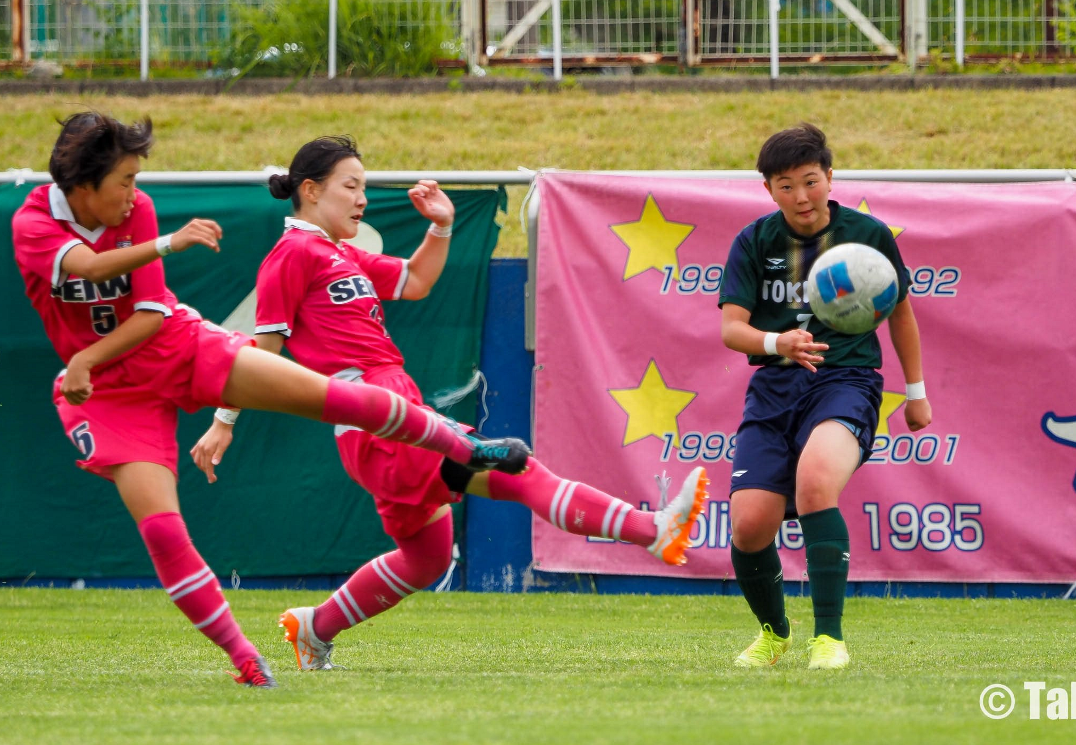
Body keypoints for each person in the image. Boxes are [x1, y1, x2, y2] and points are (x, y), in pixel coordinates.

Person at [12, 113, 532, 689]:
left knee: (339, 397)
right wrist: (165, 250)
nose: (136, 194)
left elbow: (153, 310)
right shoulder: (35, 222)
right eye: (126, 181)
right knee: (163, 531)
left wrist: (440, 228)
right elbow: (84, 266)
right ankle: (246, 659)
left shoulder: (143, 212)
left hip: (177, 345)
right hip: (112, 396)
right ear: (83, 186)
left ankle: (469, 444)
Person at [191, 135, 708, 672]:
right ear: (310, 190)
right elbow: (263, 352)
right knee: (519, 469)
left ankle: (314, 628)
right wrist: (223, 422)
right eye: (351, 186)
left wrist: (441, 225)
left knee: (426, 558)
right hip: (374, 414)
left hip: (388, 408)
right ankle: (654, 532)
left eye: (364, 186)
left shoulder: (339, 251)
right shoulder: (292, 254)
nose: (362, 198)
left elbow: (414, 281)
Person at [717, 123, 932, 671]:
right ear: (769, 189)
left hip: (847, 381)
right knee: (748, 524)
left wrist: (915, 392)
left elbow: (901, 312)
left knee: (815, 481)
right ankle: (774, 634)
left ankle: (829, 640)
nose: (801, 196)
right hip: (773, 388)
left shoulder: (868, 235)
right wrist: (777, 341)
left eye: (810, 181)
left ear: (830, 177)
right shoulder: (754, 241)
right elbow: (731, 329)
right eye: (786, 186)